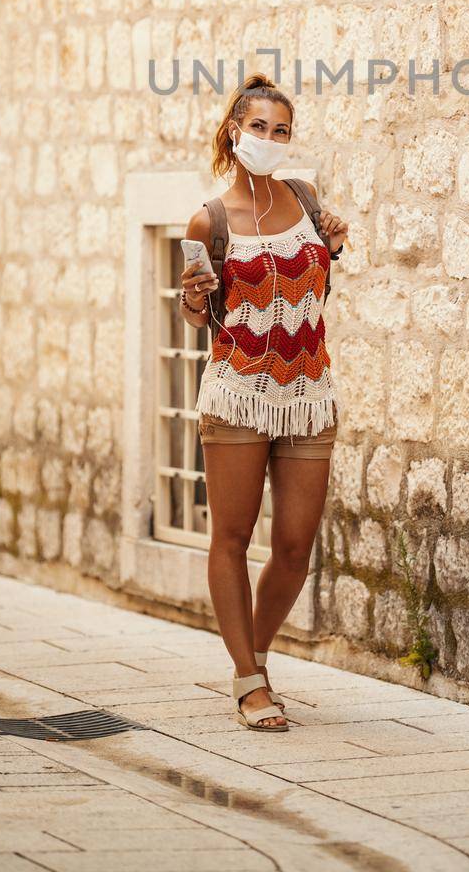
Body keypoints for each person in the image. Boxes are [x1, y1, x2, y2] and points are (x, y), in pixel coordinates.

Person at [179, 74, 348, 732]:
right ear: (233, 132)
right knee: (231, 537)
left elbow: (316, 296)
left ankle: (256, 653)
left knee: (295, 544)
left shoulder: (306, 200)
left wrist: (330, 244)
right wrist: (194, 296)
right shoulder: (209, 219)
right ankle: (248, 680)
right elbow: (197, 312)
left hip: (308, 393)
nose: (271, 139)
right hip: (237, 393)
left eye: (281, 130)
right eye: (259, 128)